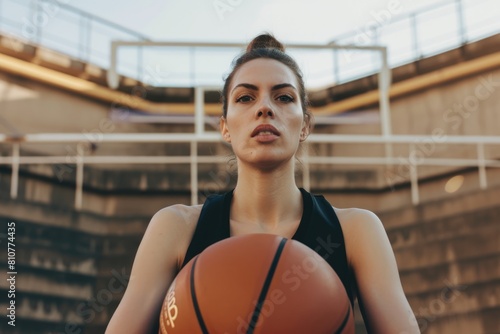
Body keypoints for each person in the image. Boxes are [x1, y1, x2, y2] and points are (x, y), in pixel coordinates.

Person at [106, 33, 420, 334]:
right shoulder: (175, 227)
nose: (264, 108)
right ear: (225, 127)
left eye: (284, 97)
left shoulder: (356, 231)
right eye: (245, 97)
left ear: (305, 125)